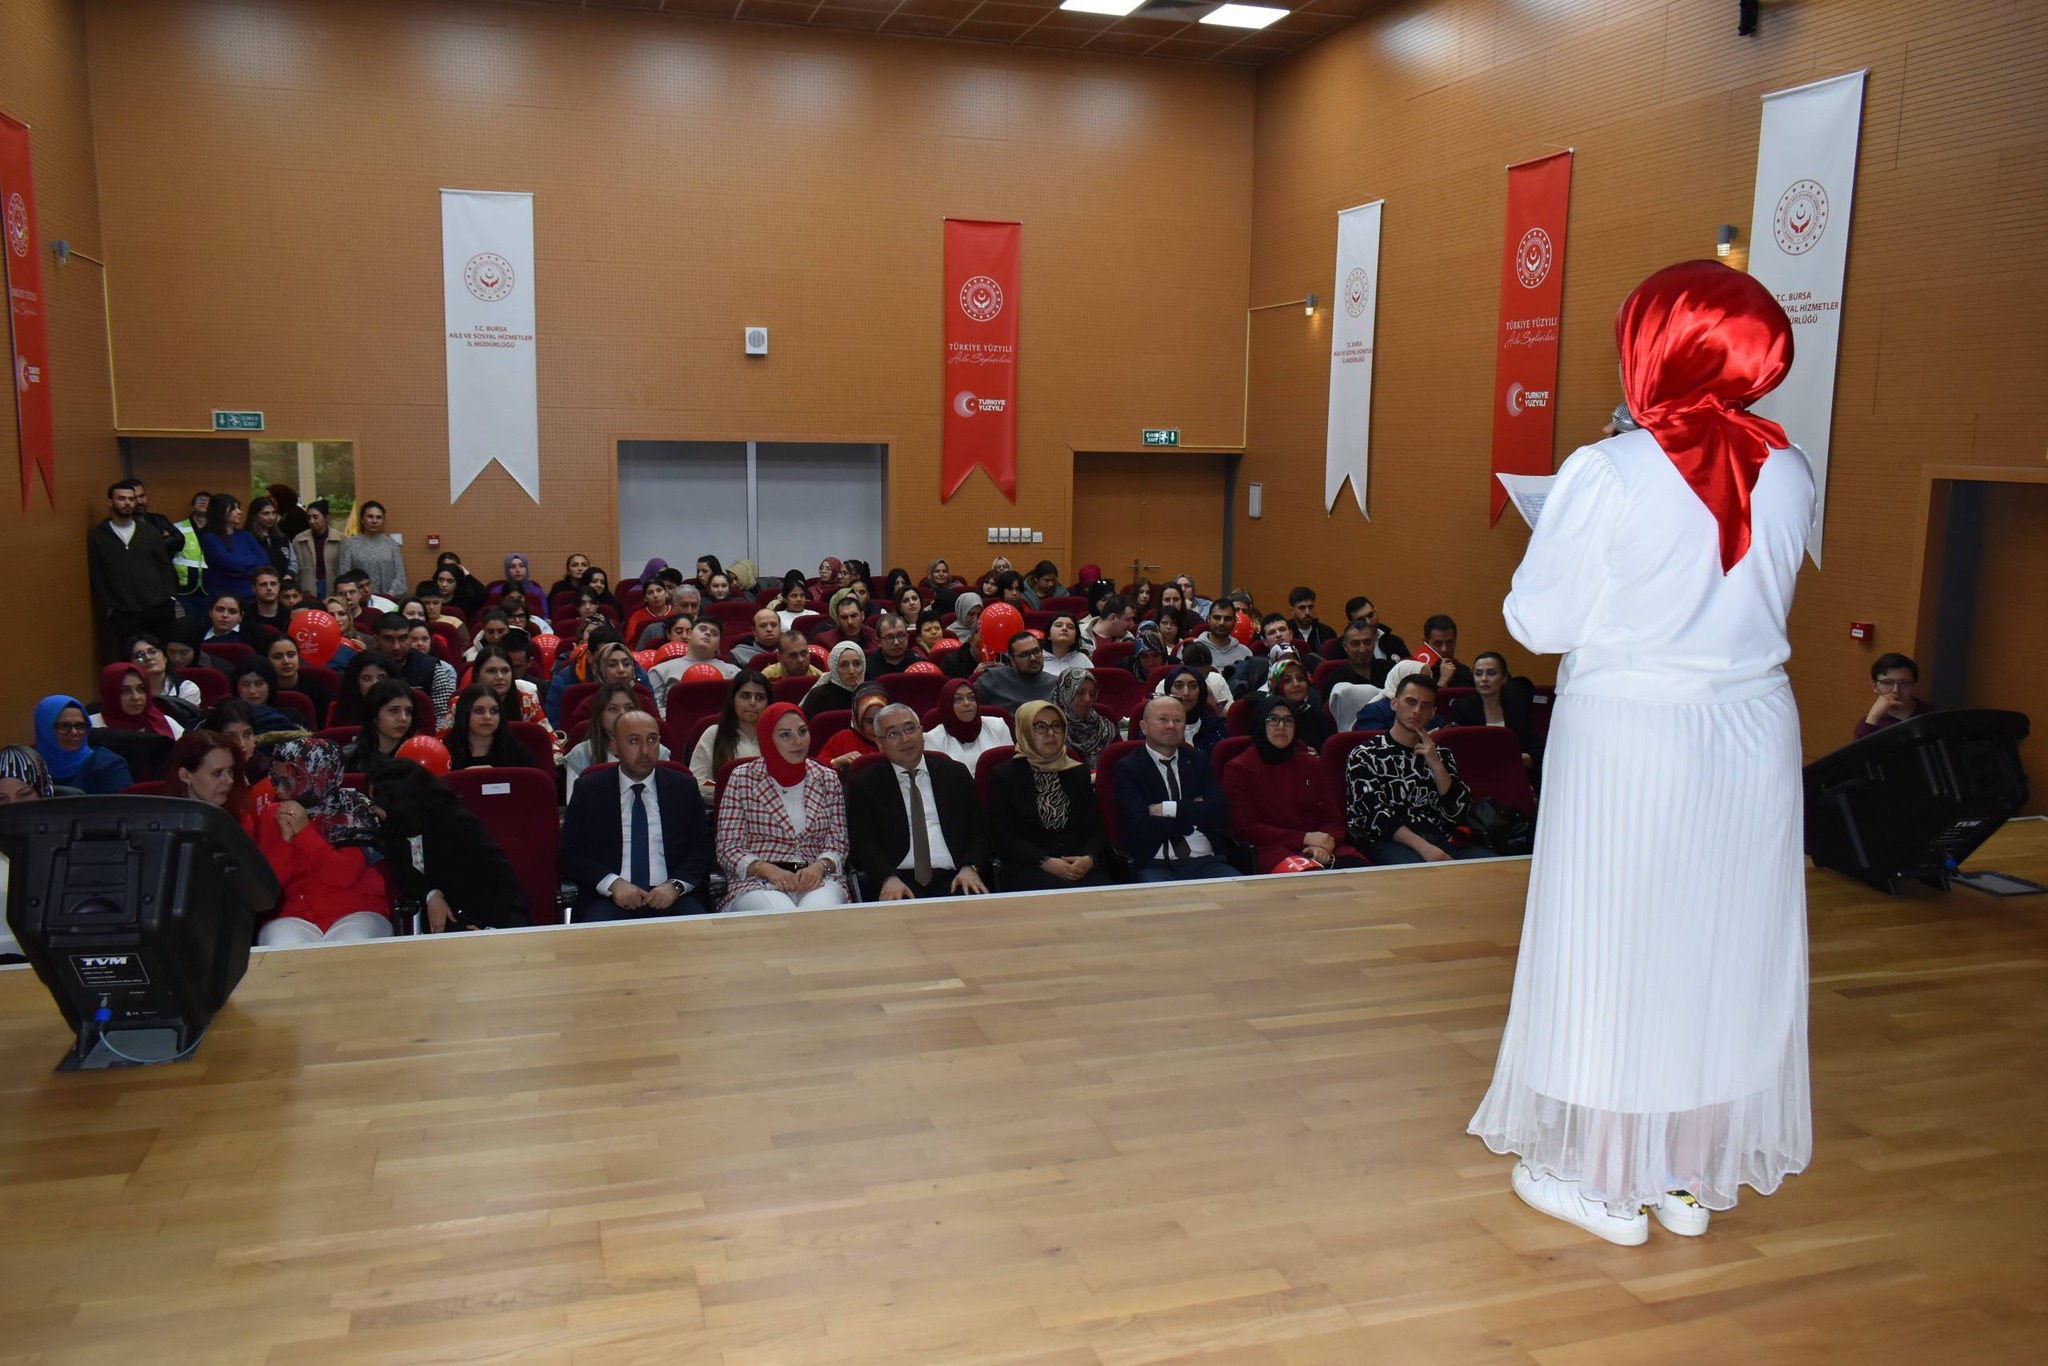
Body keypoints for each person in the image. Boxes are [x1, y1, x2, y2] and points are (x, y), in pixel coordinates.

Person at [1469, 261, 1818, 1245]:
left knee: (1615, 945)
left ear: (1652, 349)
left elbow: (1538, 621)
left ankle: (1606, 1184)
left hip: (1634, 734)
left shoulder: (1607, 469)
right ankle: (1684, 1177)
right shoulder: (1788, 467)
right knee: (1722, 949)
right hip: (1752, 731)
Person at [560, 710, 712, 922]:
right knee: (598, 933)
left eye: (652, 740)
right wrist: (612, 883)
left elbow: (702, 849)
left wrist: (676, 885)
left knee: (700, 931)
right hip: (608, 898)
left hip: (672, 896)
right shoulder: (589, 790)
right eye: (634, 741)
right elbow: (570, 854)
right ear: (614, 746)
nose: (645, 751)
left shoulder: (682, 787)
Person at [253, 737, 393, 945]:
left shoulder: (355, 808)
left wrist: (303, 833)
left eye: (287, 781)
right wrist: (284, 840)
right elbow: (268, 888)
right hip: (292, 914)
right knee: (283, 948)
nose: (279, 790)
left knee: (349, 947)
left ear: (316, 776)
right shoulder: (272, 814)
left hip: (356, 910)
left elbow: (344, 875)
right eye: (275, 780)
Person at [845, 704, 990, 900]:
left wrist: (970, 867)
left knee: (974, 902)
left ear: (922, 732)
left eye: (910, 729)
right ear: (879, 743)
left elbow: (980, 830)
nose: (905, 739)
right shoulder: (865, 784)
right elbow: (862, 843)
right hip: (898, 878)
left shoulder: (955, 773)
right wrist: (887, 877)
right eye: (892, 734)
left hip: (956, 875)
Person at [370, 759, 530, 931]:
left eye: (376, 802)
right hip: (450, 918)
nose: (372, 809)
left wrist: (488, 929)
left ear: (398, 801)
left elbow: (500, 880)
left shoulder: (458, 822)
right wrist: (431, 894)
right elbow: (404, 874)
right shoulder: (394, 828)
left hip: (493, 916)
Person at [1343, 673, 1476, 865]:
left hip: (1440, 837)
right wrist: (1426, 849)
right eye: (1411, 702)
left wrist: (1436, 764)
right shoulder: (1365, 754)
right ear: (1394, 703)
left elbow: (1459, 813)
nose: (1417, 711)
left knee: (1494, 867)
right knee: (1422, 875)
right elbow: (1376, 817)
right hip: (1390, 841)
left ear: (1433, 713)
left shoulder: (1440, 754)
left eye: (1426, 705)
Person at [985, 701, 1110, 891]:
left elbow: (1096, 829)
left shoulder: (1077, 771)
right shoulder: (1005, 776)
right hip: (1029, 866)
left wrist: (1088, 859)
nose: (1051, 733)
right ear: (1025, 731)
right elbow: (1004, 837)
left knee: (1104, 892)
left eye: (1056, 726)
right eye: (1040, 726)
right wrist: (1045, 862)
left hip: (1078, 864)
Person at [1224, 694, 1355, 873]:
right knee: (1308, 877)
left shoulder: (1310, 764)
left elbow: (1333, 817)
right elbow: (1247, 828)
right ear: (1260, 723)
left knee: (1358, 870)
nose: (1281, 726)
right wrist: (1305, 838)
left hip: (1322, 845)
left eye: (1288, 720)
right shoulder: (1238, 769)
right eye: (1273, 719)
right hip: (1271, 847)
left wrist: (1325, 843)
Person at [1113, 697, 1234, 881]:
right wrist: (1193, 816)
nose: (1171, 725)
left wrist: (1167, 809)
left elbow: (1219, 813)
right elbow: (1140, 826)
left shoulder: (1198, 760)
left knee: (1244, 895)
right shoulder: (1128, 768)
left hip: (1207, 860)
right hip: (1156, 863)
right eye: (1163, 719)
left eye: (1177, 720)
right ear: (1144, 727)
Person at [89, 478, 179, 654]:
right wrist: (110, 607)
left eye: (131, 499)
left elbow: (164, 566)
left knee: (160, 654)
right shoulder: (98, 535)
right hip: (123, 611)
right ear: (110, 502)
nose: (128, 503)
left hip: (159, 607)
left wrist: (170, 598)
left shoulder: (149, 531)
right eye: (121, 499)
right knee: (131, 656)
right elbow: (97, 574)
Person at [1451, 652, 1541, 771]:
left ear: (1504, 678)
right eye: (1478, 674)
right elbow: (1458, 751)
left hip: (1515, 771)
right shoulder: (1462, 707)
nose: (1484, 679)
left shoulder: (1518, 707)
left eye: (1491, 673)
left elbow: (1536, 751)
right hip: (1476, 773)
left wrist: (1516, 759)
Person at [690, 671, 769, 804]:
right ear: (733, 700)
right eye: (745, 696)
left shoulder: (778, 736)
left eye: (760, 697)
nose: (752, 702)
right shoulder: (714, 734)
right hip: (724, 808)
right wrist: (735, 795)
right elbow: (695, 783)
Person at [565, 678, 666, 781]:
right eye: (613, 709)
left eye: (629, 708)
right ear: (600, 716)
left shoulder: (659, 751)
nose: (622, 713)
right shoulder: (581, 754)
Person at [33, 696, 132, 794]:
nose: (74, 732)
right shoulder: (30, 767)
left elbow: (123, 804)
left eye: (79, 726)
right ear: (45, 730)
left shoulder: (108, 765)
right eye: (64, 726)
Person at [168, 727, 251, 827]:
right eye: (217, 773)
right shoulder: (162, 822)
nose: (229, 780)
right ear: (185, 775)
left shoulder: (242, 819)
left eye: (230, 771)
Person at [923, 678, 1013, 769]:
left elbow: (1011, 767)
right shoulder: (933, 739)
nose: (967, 703)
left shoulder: (997, 726)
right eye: (958, 699)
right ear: (947, 704)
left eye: (971, 698)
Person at [648, 618, 736, 710]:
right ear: (689, 634)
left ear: (718, 644)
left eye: (714, 634)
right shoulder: (660, 670)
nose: (708, 633)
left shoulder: (733, 671)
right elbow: (654, 708)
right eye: (703, 629)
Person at [197, 492, 271, 601]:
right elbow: (233, 564)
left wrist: (242, 569)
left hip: (251, 594)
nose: (239, 512)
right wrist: (252, 559)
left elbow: (265, 560)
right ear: (221, 511)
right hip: (224, 597)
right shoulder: (210, 538)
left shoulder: (244, 535)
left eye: (238, 508)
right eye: (233, 509)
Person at [446, 684, 536, 771]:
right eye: (479, 711)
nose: (488, 717)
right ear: (464, 713)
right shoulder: (447, 752)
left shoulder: (516, 752)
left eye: (494, 711)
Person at [343, 678, 419, 777]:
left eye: (408, 711)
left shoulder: (418, 755)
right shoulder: (350, 758)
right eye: (394, 711)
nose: (403, 718)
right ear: (374, 714)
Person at [94, 662, 185, 741]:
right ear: (110, 694)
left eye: (141, 689)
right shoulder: (92, 726)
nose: (136, 697)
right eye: (125, 691)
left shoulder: (164, 722)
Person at [1267, 650, 1335, 752]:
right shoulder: (1266, 719)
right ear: (1275, 685)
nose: (1296, 684)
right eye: (1287, 680)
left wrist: (1318, 757)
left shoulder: (1319, 719)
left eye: (1300, 678)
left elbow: (1331, 755)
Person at [336, 500, 407, 597]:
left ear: (383, 520)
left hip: (388, 599)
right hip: (359, 600)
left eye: (378, 517)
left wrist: (389, 596)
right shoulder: (350, 544)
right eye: (370, 516)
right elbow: (344, 575)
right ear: (362, 520)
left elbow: (400, 575)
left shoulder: (391, 544)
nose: (374, 521)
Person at [975, 628, 1057, 710]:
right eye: (1024, 655)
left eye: (1036, 651)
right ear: (1012, 661)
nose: (1033, 658)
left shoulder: (1056, 683)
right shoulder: (993, 678)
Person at [1857, 653, 1936, 738]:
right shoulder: (1870, 723)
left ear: (1914, 685)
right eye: (1887, 683)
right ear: (1875, 687)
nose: (1896, 690)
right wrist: (1873, 716)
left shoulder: (1933, 714)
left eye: (1904, 683)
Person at [126, 633, 203, 717]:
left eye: (153, 652)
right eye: (139, 656)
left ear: (165, 658)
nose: (148, 658)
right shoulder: (126, 693)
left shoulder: (186, 689)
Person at [817, 684, 891, 770]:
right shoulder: (843, 738)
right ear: (858, 719)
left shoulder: (897, 736)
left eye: (881, 720)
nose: (876, 727)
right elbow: (818, 767)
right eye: (869, 721)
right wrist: (835, 762)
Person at [1162, 665, 1223, 763]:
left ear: (1201, 691)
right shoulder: (1155, 727)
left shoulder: (1216, 725)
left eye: (1193, 686)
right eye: (1179, 686)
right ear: (1169, 690)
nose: (1186, 693)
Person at [227, 658, 303, 735]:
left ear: (270, 685)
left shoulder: (291, 718)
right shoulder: (227, 719)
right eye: (245, 684)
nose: (252, 691)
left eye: (259, 683)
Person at [290, 498, 346, 598]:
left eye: (316, 517)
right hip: (308, 587)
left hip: (332, 587)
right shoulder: (299, 540)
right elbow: (295, 565)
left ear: (326, 517)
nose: (312, 521)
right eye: (309, 517)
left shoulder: (340, 539)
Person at [332, 650, 397, 727]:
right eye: (367, 678)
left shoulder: (403, 711)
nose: (375, 684)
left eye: (382, 678)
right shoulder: (343, 712)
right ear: (356, 682)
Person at [802, 641, 867, 718]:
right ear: (834, 668)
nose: (852, 671)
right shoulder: (818, 696)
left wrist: (863, 695)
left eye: (857, 663)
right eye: (844, 665)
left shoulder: (871, 692)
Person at [1418, 614, 1477, 690]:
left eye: (1449, 643)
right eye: (1438, 644)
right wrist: (1443, 681)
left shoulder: (1464, 673)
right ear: (1425, 642)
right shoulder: (1415, 671)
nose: (1444, 649)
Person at [624, 578, 679, 649]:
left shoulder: (676, 612)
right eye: (650, 593)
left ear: (666, 593)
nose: (655, 595)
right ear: (645, 598)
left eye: (659, 590)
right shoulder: (637, 616)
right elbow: (629, 643)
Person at [1039, 613, 1091, 678]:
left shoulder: (1083, 659)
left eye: (1070, 627)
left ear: (1075, 638)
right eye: (1058, 625)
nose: (1064, 628)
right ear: (1048, 635)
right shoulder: (1039, 659)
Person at [1287, 587, 1336, 654]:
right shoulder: (1286, 632)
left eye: (1310, 607)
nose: (1307, 612)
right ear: (1292, 611)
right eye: (1302, 608)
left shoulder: (1327, 632)